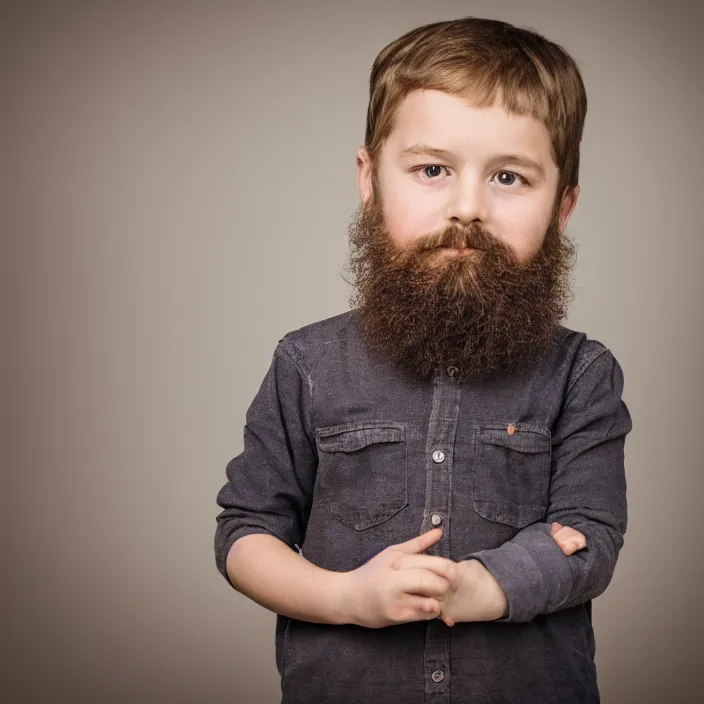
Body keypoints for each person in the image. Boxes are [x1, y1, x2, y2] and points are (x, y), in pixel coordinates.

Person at [214, 16, 632, 704]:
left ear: (563, 205)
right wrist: (347, 596)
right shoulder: (306, 362)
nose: (468, 208)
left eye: (509, 176)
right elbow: (246, 533)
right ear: (370, 179)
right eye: (432, 169)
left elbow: (589, 541)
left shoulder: (581, 375)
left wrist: (479, 586)